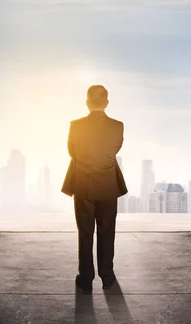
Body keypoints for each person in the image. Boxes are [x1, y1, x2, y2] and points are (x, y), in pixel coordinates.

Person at [61, 85, 128, 294]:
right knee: (107, 232)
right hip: (108, 185)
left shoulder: (76, 125)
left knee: (85, 232)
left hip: (83, 185)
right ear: (106, 103)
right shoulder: (118, 126)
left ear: (87, 103)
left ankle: (85, 278)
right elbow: (115, 148)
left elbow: (72, 151)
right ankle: (107, 276)